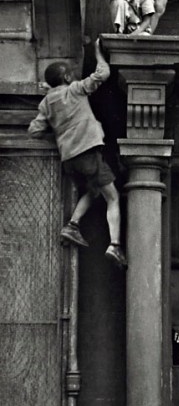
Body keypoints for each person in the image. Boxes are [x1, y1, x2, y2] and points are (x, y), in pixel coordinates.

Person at [27, 39, 127, 269]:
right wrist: (97, 52)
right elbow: (103, 73)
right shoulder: (75, 90)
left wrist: (58, 127)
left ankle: (72, 225)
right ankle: (115, 245)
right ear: (66, 78)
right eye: (70, 73)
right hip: (88, 152)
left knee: (93, 191)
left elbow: (35, 131)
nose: (73, 75)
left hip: (70, 160)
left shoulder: (47, 103)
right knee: (113, 197)